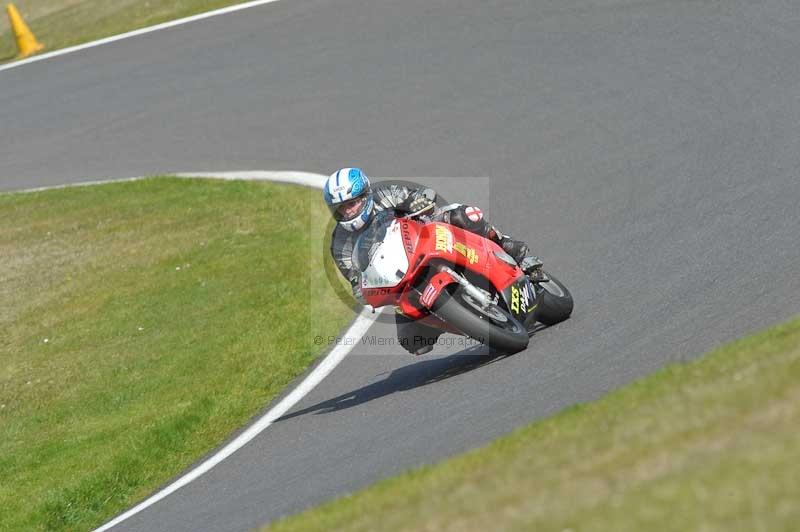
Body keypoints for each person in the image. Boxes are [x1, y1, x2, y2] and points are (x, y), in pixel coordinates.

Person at [325, 167, 541, 355]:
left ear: (365, 195)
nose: (348, 211)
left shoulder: (385, 194)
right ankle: (461, 320)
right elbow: (356, 279)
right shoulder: (339, 243)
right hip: (402, 281)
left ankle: (513, 250)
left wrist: (422, 202)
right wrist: (365, 292)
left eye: (351, 203)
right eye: (341, 209)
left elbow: (418, 199)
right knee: (412, 341)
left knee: (464, 215)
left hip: (425, 239)